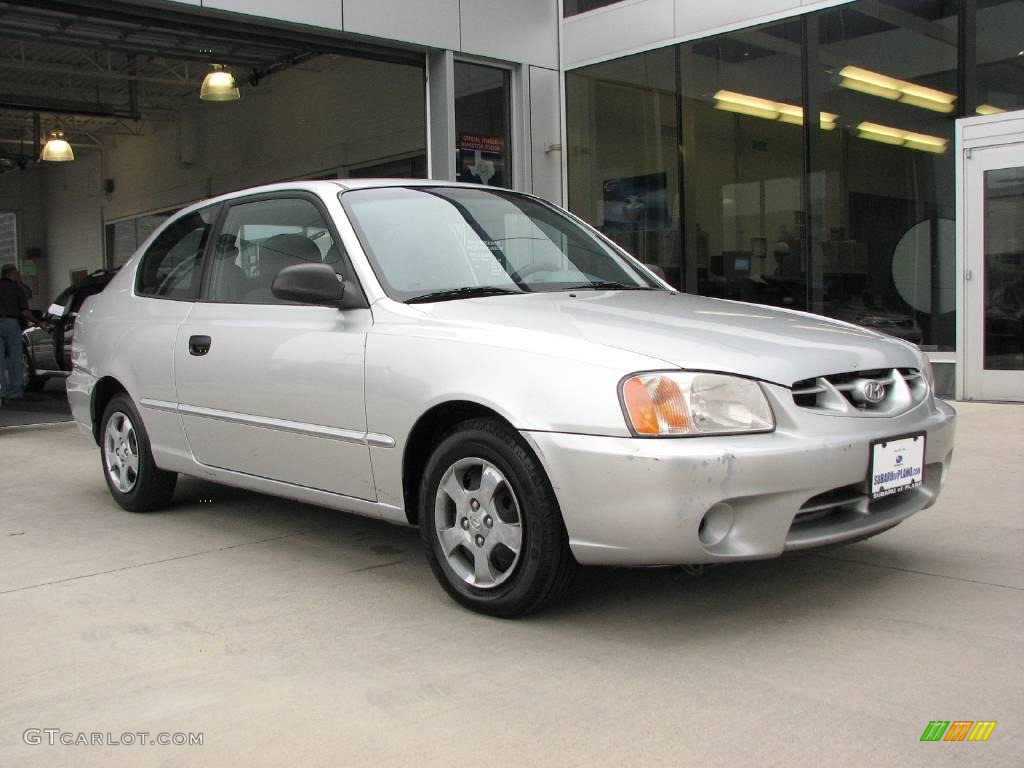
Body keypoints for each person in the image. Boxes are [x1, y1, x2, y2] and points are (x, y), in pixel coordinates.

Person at [0, 263, 35, 406]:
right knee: (15, 358)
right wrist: (20, 282)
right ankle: (16, 391)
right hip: (11, 323)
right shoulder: (14, 287)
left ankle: (1, 391)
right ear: (13, 273)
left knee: (0, 361)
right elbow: (28, 296)